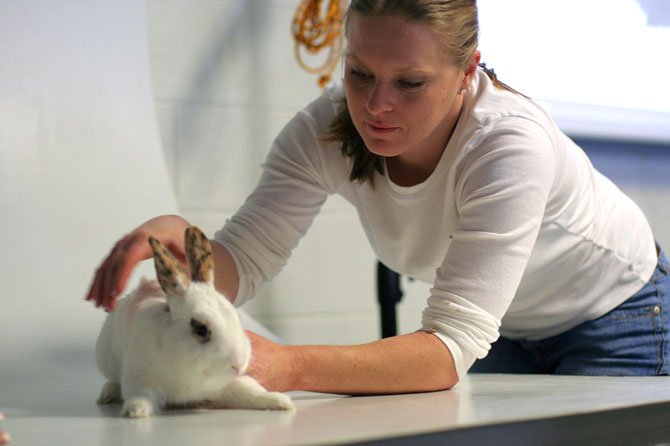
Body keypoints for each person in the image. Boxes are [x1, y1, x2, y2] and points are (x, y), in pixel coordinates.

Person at [86, 0, 669, 394]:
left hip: (618, 314)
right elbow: (248, 260)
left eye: (409, 83)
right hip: (507, 328)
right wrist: (194, 260)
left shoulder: (507, 146)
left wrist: (286, 364)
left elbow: (446, 349)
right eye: (359, 73)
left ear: (467, 71)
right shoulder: (325, 130)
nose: (375, 105)